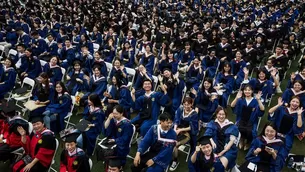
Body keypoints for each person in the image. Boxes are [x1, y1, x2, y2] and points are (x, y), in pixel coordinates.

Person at [231, 85, 265, 150]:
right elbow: (232, 106)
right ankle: (242, 139)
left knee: (251, 131)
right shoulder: (241, 100)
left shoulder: (255, 101)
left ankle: (248, 142)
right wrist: (236, 98)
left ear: (252, 91)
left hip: (252, 121)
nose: (247, 91)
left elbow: (262, 110)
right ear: (243, 91)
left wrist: (258, 100)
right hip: (241, 120)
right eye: (245, 90)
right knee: (239, 128)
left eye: (249, 90)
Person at [170, 97, 198, 171]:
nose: (186, 106)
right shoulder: (180, 109)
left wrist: (180, 130)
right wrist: (175, 129)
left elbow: (191, 127)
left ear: (191, 104)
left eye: (188, 104)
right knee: (168, 140)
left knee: (174, 145)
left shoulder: (194, 114)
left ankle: (175, 161)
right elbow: (176, 120)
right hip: (178, 129)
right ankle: (168, 155)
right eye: (185, 104)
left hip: (187, 134)